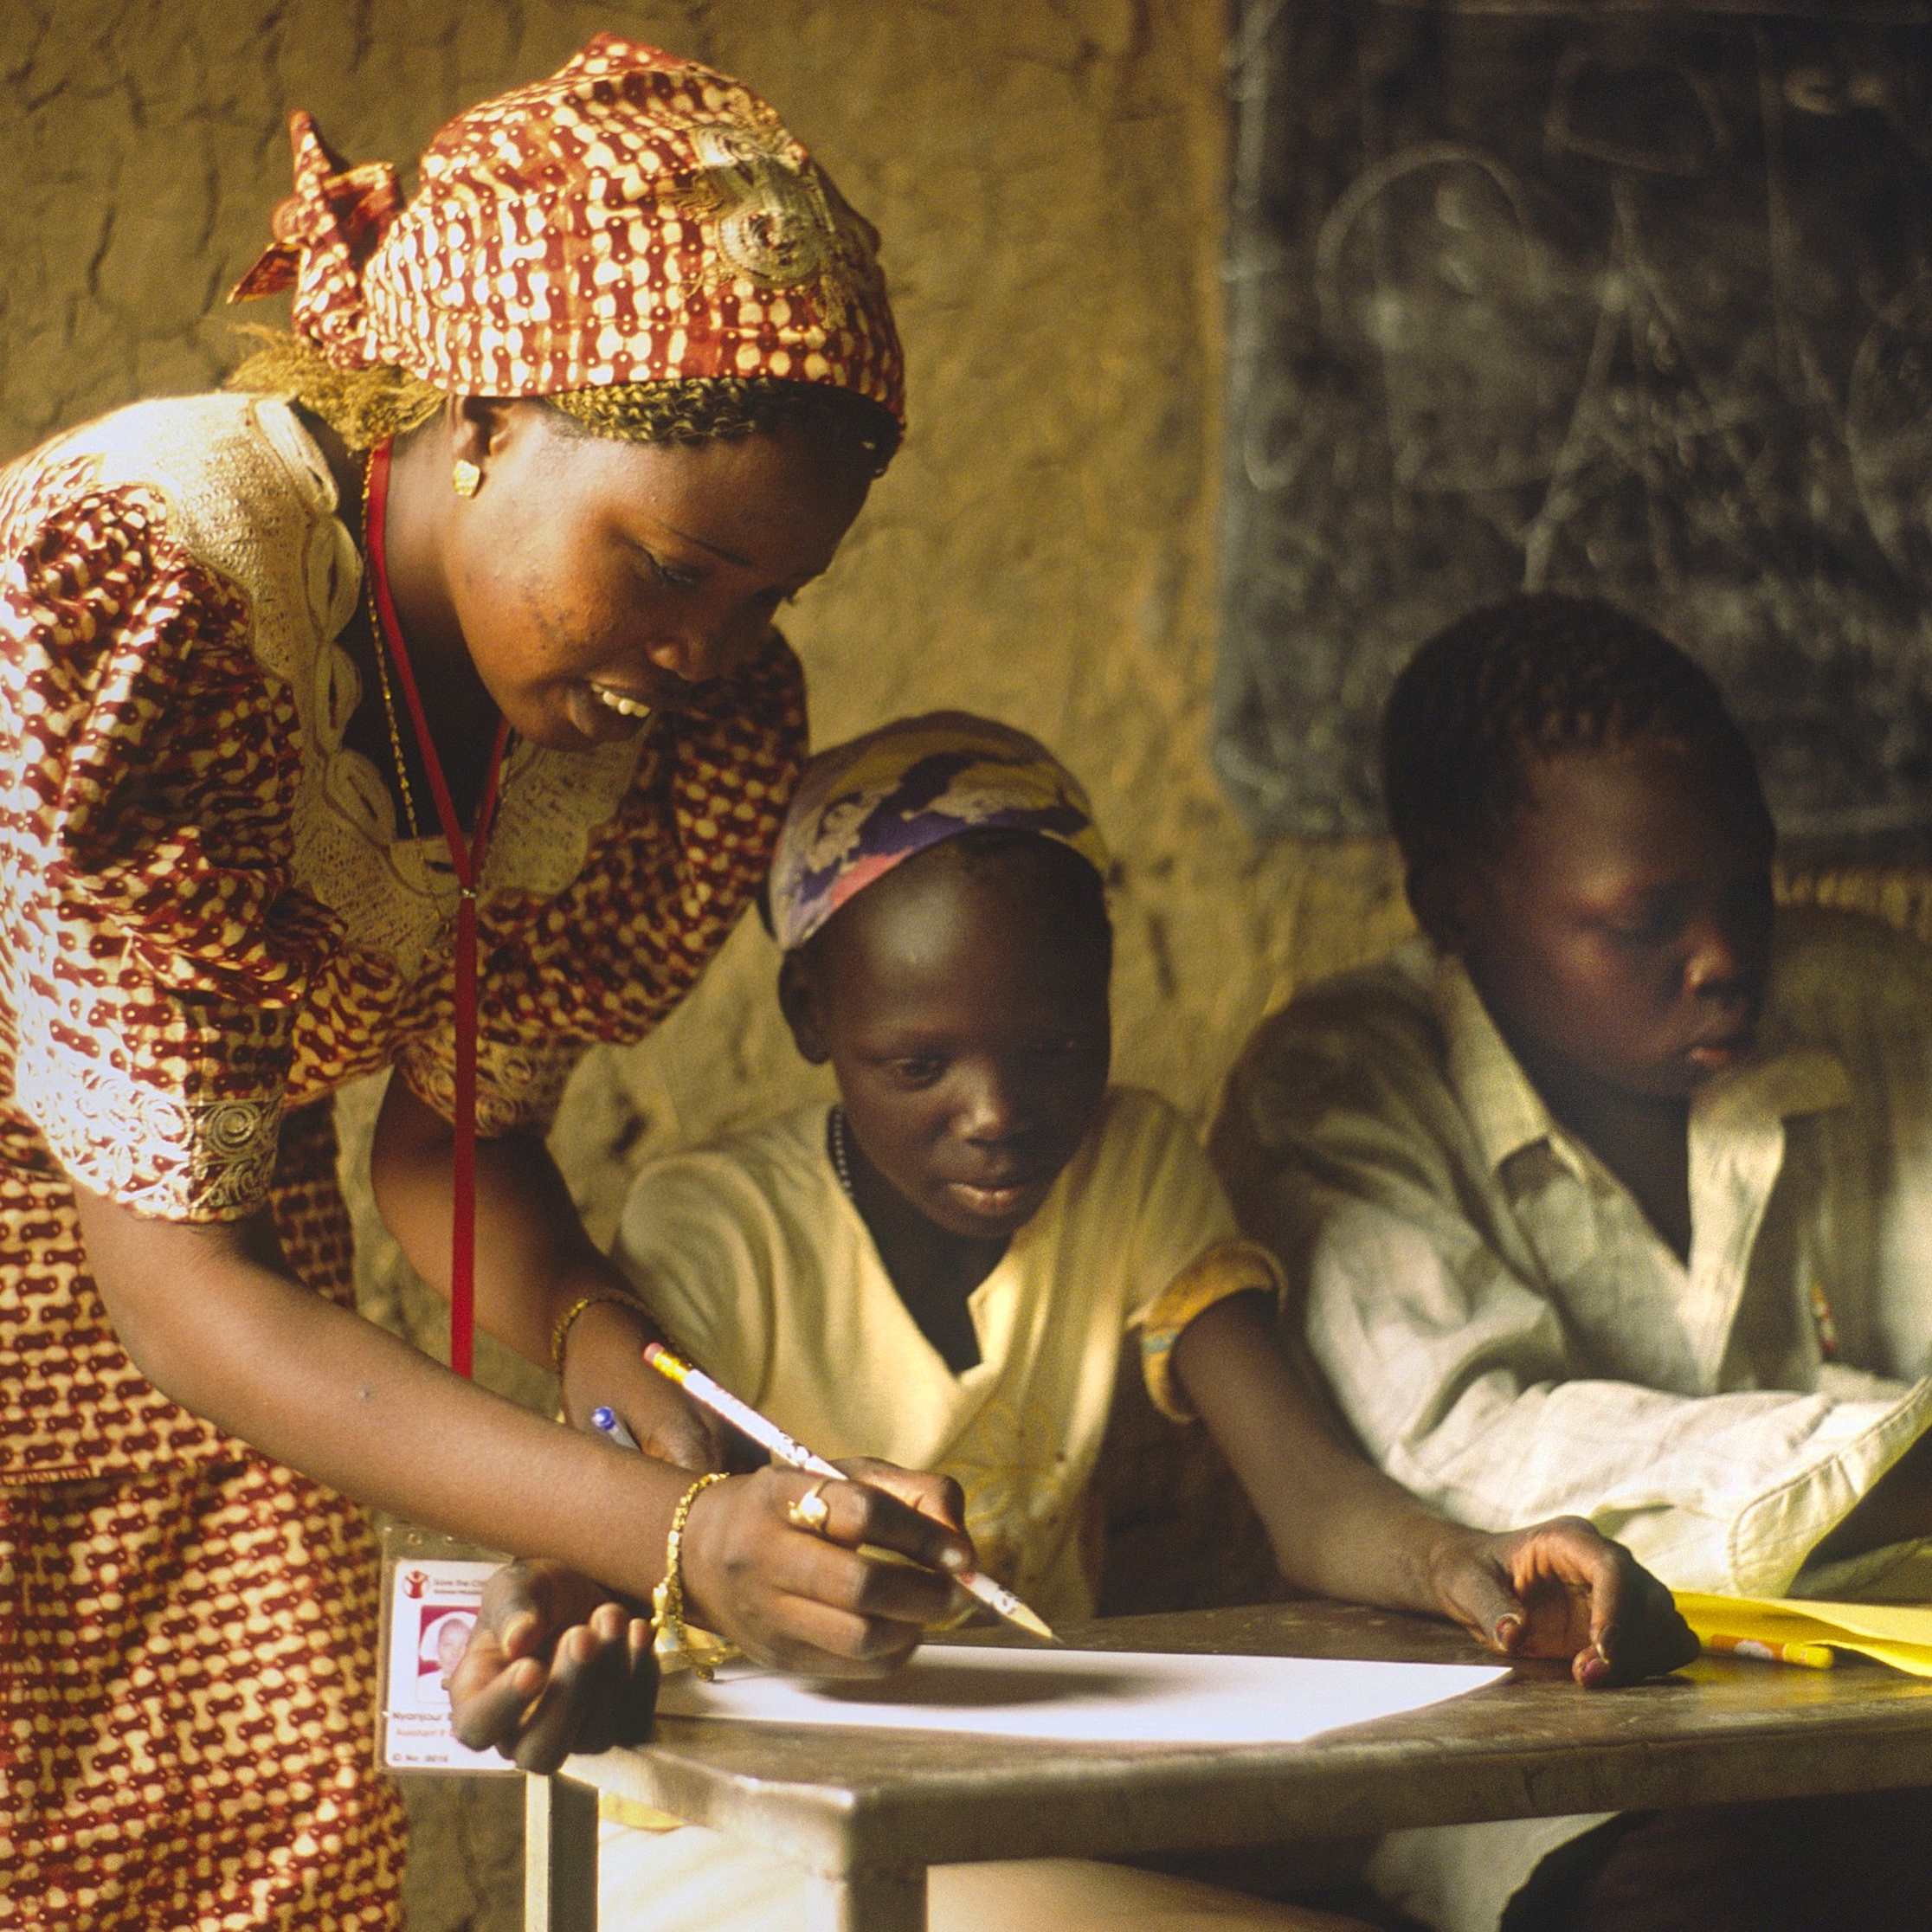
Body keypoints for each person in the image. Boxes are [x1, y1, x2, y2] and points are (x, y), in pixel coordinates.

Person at [0, 35, 979, 1931]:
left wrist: (638, 1379)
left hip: (215, 1352)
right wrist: (685, 1541)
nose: (706, 651)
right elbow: (170, 1284)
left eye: (765, 601)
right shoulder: (163, 582)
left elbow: (451, 1163)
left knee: (248, 1859)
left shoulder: (646, 738)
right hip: (167, 1304)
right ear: (475, 418)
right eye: (673, 568)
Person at [449, 712, 1696, 1932]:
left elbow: (1309, 1495)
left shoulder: (1129, 1168)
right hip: (730, 1837)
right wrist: (562, 1610)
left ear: (1106, 989)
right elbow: (630, 1528)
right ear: (813, 1019)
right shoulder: (717, 1225)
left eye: (1051, 1046)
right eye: (918, 1065)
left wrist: (1456, 1563)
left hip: (998, 1821)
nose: (999, 1111)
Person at [1211, 593, 1932, 1932]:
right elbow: (1464, 1451)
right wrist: (1887, 1468)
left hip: (1883, 1726)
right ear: (1455, 906)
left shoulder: (1868, 1006)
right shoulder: (1340, 1086)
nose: (1723, 957)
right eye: (1644, 920)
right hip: (1544, 1758)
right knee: (1702, 1896)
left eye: (1747, 888)